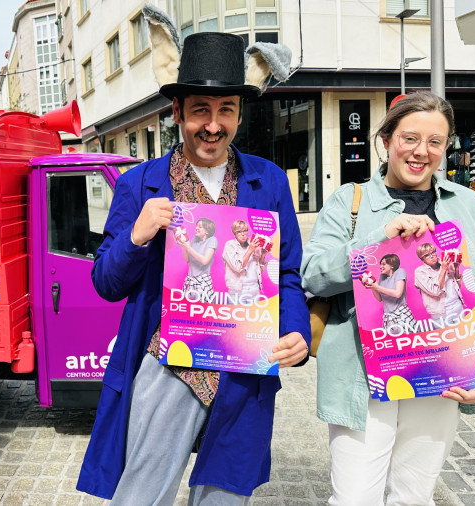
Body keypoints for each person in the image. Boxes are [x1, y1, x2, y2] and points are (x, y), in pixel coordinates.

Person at [76, 27, 310, 504]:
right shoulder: (139, 184)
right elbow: (105, 282)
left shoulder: (268, 182)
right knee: (141, 494)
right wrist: (137, 236)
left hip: (244, 367)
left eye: (226, 109)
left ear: (240, 113)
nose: (213, 124)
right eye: (200, 109)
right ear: (177, 112)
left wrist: (298, 331)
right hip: (169, 363)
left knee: (225, 495)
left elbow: (286, 273)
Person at [301, 90, 475, 505]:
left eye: (435, 142)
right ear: (386, 140)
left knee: (414, 497)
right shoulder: (350, 202)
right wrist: (376, 242)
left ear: (446, 147)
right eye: (410, 138)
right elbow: (312, 275)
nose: (422, 152)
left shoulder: (471, 208)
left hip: (442, 376)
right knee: (354, 499)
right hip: (364, 378)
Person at [364, 253, 416, 335]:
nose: (381, 267)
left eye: (384, 264)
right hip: (388, 318)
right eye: (380, 264)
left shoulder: (400, 272)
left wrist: (377, 287)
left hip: (401, 315)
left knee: (411, 340)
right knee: (393, 345)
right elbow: (379, 298)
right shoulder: (382, 277)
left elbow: (397, 293)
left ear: (392, 265)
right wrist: (372, 287)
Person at [413, 242, 464, 327]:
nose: (432, 256)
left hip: (457, 306)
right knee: (447, 339)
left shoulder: (445, 262)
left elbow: (457, 286)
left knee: (465, 335)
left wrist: (457, 268)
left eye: (433, 252)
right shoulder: (420, 272)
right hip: (441, 313)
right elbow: (435, 291)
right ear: (422, 259)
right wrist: (443, 269)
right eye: (427, 255)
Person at [177, 217, 217, 299]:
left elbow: (205, 260)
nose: (196, 228)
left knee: (204, 308)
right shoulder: (195, 240)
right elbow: (187, 260)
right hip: (190, 281)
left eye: (200, 226)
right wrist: (183, 246)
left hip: (203, 281)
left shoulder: (212, 240)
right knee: (187, 308)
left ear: (207, 231)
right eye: (196, 226)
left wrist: (188, 248)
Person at [221, 219, 258, 298]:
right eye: (239, 232)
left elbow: (259, 270)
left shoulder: (252, 244)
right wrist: (250, 250)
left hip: (254, 288)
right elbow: (237, 267)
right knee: (235, 310)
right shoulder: (230, 245)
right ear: (234, 233)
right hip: (237, 290)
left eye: (245, 231)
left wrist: (263, 255)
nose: (243, 234)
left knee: (255, 310)